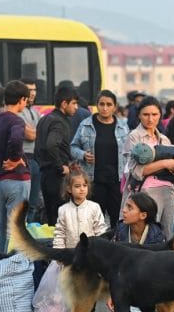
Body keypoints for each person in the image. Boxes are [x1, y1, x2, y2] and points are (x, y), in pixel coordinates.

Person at [122, 96, 174, 239]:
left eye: (154, 114)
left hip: (168, 191)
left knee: (167, 234)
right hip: (145, 193)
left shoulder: (164, 139)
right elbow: (137, 171)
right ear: (138, 115)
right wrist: (164, 163)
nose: (150, 119)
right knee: (146, 236)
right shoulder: (134, 137)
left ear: (160, 115)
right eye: (146, 114)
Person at [53, 168, 107, 312]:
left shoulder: (94, 207)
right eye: (77, 186)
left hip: (91, 254)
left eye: (84, 185)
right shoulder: (63, 210)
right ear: (69, 189)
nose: (82, 189)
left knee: (90, 284)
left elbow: (101, 229)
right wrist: (58, 253)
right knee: (74, 286)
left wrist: (101, 250)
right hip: (71, 254)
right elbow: (59, 232)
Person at [71, 90, 129, 228]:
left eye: (109, 104)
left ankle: (116, 247)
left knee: (118, 220)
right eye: (101, 104)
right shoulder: (86, 125)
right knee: (94, 221)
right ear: (96, 105)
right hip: (94, 181)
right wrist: (83, 155)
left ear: (114, 107)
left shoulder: (122, 126)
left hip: (117, 181)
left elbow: (129, 151)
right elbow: (73, 147)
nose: (105, 108)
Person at [0, 80, 31, 253]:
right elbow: (17, 138)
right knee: (16, 230)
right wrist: (16, 159)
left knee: (1, 230)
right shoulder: (17, 121)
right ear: (22, 100)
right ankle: (14, 270)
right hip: (17, 181)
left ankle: (0, 267)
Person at [34, 86, 78, 226]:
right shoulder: (59, 121)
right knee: (62, 221)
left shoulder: (44, 119)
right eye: (74, 103)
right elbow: (51, 144)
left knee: (52, 221)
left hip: (45, 174)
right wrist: (60, 167)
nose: (76, 107)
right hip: (56, 177)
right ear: (64, 104)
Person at [19, 79, 42, 223]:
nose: (32, 93)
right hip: (24, 159)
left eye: (34, 90)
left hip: (36, 159)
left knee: (34, 203)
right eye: (29, 90)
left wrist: (36, 132)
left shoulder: (35, 112)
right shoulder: (18, 112)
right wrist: (38, 132)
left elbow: (37, 134)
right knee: (23, 203)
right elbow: (31, 135)